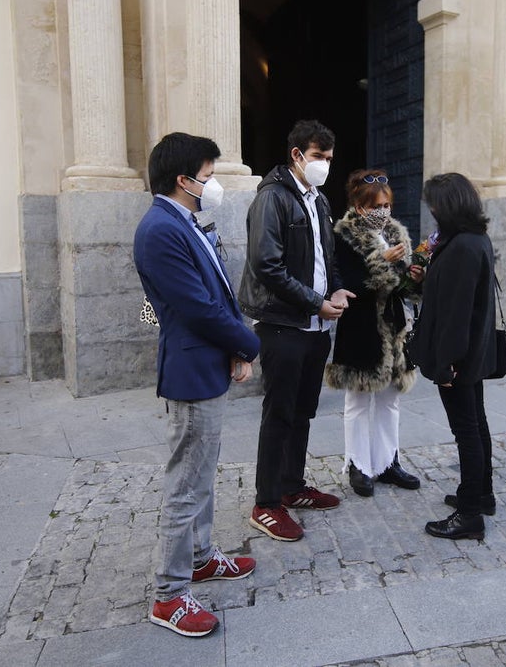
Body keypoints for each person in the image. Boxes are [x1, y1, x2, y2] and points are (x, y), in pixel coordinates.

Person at [133, 133, 261, 637]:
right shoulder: (160, 229)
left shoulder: (182, 221)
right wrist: (247, 342)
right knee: (186, 484)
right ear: (183, 180)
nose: (213, 185)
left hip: (208, 361)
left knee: (202, 474)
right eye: (208, 176)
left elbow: (219, 290)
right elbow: (196, 308)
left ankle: (202, 556)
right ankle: (168, 595)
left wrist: (232, 345)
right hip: (191, 370)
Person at [238, 120, 354, 542]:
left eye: (328, 158)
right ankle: (266, 503)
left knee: (304, 410)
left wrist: (336, 287)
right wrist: (314, 301)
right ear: (297, 155)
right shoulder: (273, 199)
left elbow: (327, 256)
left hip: (316, 326)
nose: (324, 165)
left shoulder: (318, 200)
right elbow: (267, 265)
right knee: (279, 413)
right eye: (319, 157)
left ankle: (291, 486)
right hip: (283, 323)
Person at [324, 170, 423, 497]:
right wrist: (382, 262)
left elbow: (402, 286)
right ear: (359, 205)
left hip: (393, 327)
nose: (382, 211)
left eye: (387, 205)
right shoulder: (343, 235)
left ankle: (386, 462)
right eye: (375, 205)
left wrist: (414, 275)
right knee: (358, 399)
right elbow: (349, 283)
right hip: (361, 325)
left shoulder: (395, 232)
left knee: (390, 401)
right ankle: (358, 465)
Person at [411, 173, 497, 540]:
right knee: (476, 423)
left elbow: (456, 312)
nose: (430, 210)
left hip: (459, 357)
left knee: (467, 430)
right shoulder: (472, 239)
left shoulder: (462, 246)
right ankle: (479, 494)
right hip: (472, 353)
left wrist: (446, 364)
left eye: (434, 203)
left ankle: (470, 514)